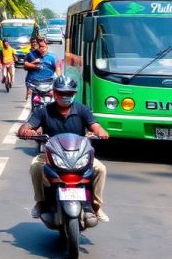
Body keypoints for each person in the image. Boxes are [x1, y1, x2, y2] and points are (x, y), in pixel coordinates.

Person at [17, 76, 110, 222]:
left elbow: (95, 126)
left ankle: (96, 206)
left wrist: (101, 132)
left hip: (79, 155)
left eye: (69, 94)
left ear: (74, 94)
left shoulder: (82, 110)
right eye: (61, 93)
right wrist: (26, 131)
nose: (65, 97)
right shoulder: (43, 111)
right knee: (35, 166)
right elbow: (26, 127)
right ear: (54, 93)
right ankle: (40, 202)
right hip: (51, 155)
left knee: (100, 169)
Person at [23, 37, 57, 102]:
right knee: (35, 103)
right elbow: (25, 67)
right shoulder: (30, 54)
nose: (41, 48)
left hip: (48, 84)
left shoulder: (52, 57)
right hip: (35, 84)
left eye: (43, 46)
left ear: (47, 46)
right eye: (40, 46)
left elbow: (57, 71)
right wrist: (34, 64)